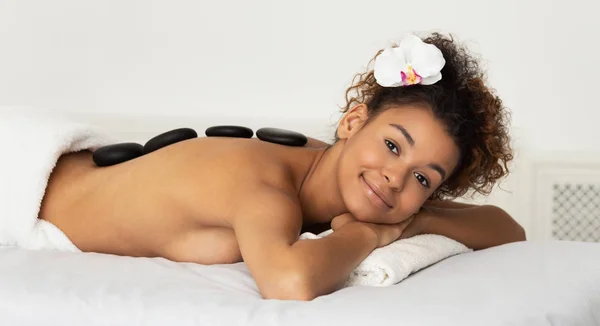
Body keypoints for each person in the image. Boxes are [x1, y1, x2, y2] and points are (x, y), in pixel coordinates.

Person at [38, 32, 525, 301]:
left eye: (423, 178)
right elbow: (289, 283)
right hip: (30, 187)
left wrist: (409, 216)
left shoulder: (321, 166)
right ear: (354, 122)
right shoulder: (262, 188)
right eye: (394, 146)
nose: (396, 178)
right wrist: (371, 235)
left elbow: (507, 229)